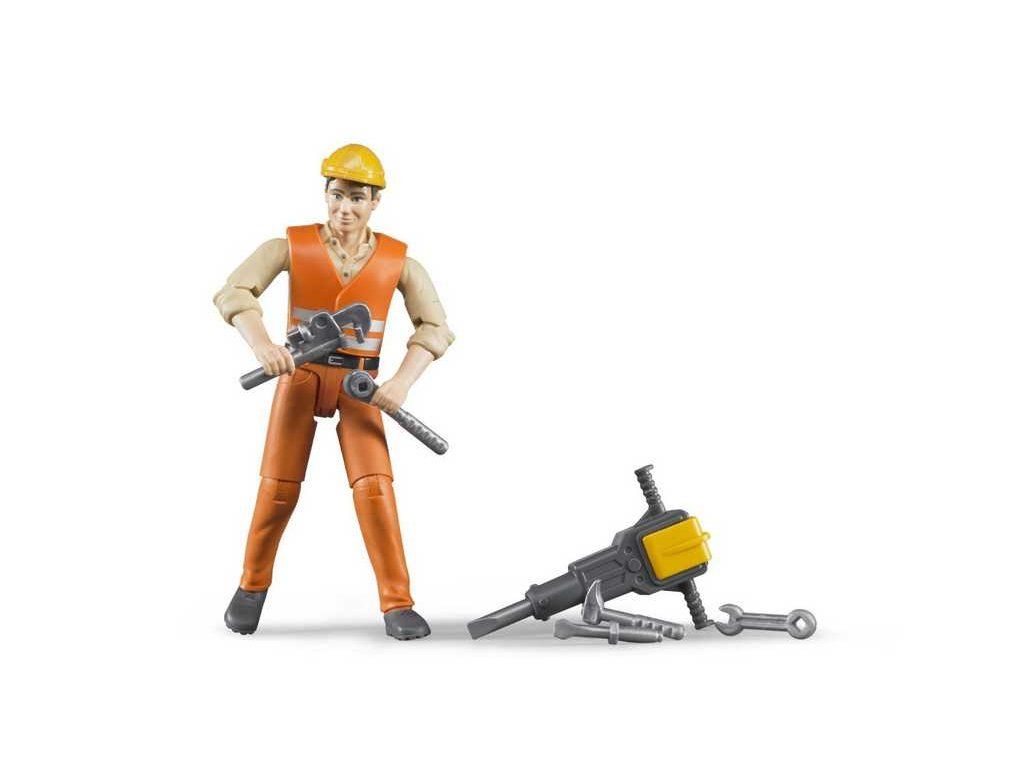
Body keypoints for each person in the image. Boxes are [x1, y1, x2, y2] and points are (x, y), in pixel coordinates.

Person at [213, 144, 454, 640]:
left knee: (375, 488)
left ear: (375, 202)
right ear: (326, 194)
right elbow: (234, 292)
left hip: (359, 386)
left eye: (357, 198)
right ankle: (251, 586)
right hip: (298, 376)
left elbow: (434, 327)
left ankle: (397, 603)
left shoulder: (398, 261)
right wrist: (263, 346)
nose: (345, 208)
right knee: (278, 487)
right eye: (337, 195)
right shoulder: (290, 246)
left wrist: (401, 382)